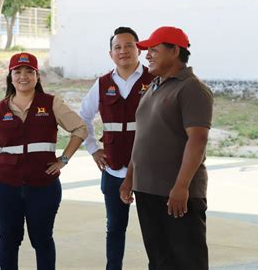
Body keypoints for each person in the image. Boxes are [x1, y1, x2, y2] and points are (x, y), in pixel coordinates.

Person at [0, 52, 87, 270]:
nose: (23, 76)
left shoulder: (51, 104)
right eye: (17, 72)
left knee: (42, 240)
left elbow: (80, 128)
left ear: (37, 76)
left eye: (29, 71)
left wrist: (63, 159)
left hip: (43, 187)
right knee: (9, 241)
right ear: (10, 77)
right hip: (5, 186)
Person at [120, 26, 213, 270]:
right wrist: (130, 178)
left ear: (175, 51)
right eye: (147, 51)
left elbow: (197, 141)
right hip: (146, 190)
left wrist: (181, 186)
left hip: (177, 194)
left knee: (187, 261)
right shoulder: (154, 85)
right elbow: (142, 138)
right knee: (160, 261)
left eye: (154, 50)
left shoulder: (192, 88)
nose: (147, 55)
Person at [79, 27, 154, 270]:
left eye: (128, 45)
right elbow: (83, 118)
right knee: (115, 228)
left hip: (148, 170)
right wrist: (92, 149)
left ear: (139, 49)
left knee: (155, 230)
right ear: (111, 54)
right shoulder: (102, 84)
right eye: (117, 47)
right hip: (113, 170)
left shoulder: (154, 80)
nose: (123, 51)